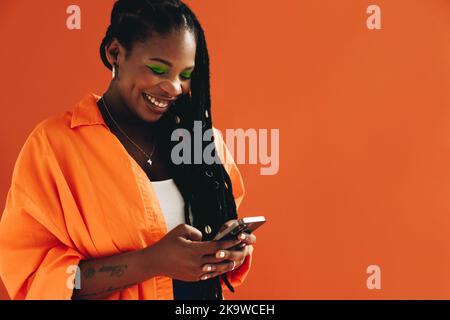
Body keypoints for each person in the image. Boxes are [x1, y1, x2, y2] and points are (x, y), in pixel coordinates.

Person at [0, 0, 255, 300]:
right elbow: (37, 281)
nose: (173, 87)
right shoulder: (53, 146)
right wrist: (153, 262)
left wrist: (229, 253)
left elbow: (223, 225)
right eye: (158, 68)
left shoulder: (201, 141)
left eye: (185, 75)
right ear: (115, 53)